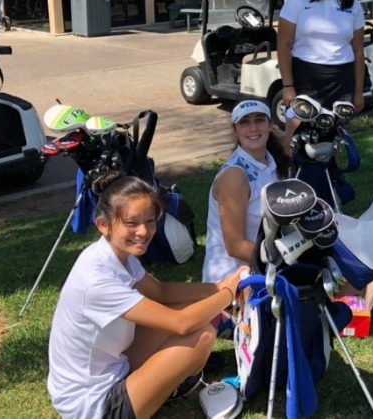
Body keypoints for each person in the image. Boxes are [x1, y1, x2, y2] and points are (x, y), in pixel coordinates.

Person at [47, 173, 246, 419]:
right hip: (95, 406)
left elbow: (161, 292)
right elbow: (180, 323)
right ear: (103, 224)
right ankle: (167, 385)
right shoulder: (96, 281)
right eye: (132, 223)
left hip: (110, 369)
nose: (143, 231)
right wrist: (229, 292)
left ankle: (165, 380)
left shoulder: (113, 254)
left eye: (150, 221)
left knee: (193, 312)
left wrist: (218, 287)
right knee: (202, 335)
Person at [277, 0, 366, 148]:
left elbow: (358, 50)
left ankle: (329, 179)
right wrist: (288, 86)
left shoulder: (353, 5)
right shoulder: (297, 0)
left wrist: (358, 91)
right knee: (295, 139)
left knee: (332, 139)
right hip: (305, 76)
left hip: (341, 78)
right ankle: (293, 178)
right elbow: (283, 44)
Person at [202, 99, 288, 284]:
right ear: (235, 130)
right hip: (233, 282)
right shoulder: (234, 175)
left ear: (270, 124)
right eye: (244, 122)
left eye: (259, 120)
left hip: (266, 267)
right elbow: (235, 246)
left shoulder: (273, 162)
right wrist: (288, 262)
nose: (253, 128)